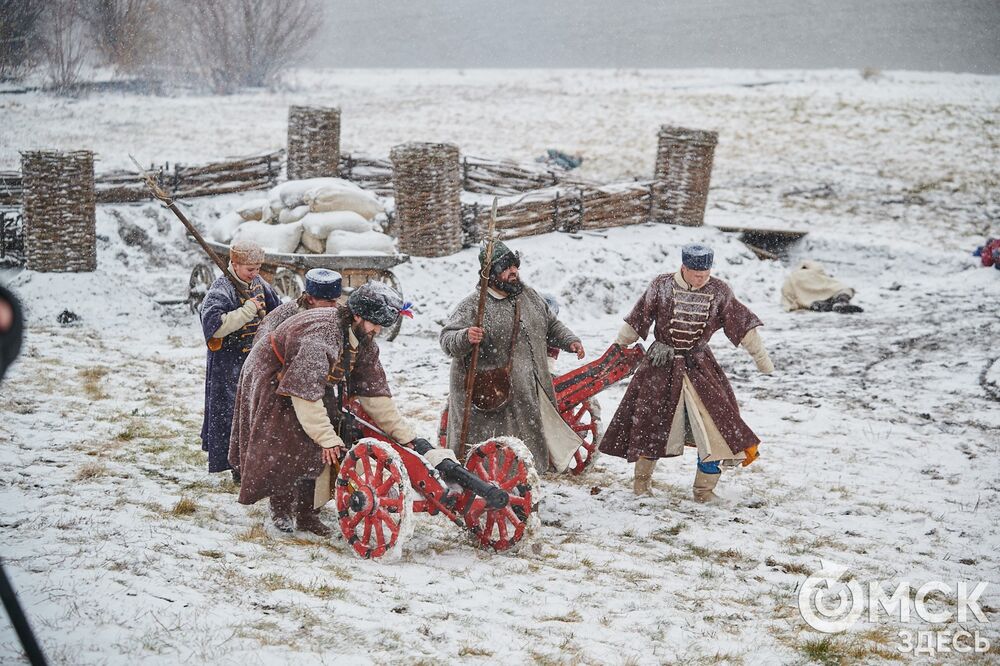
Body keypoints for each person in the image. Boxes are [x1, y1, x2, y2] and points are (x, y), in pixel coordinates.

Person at [229, 282, 426, 535]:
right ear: (357, 315)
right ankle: (281, 508)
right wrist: (325, 437)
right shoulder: (322, 333)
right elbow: (305, 396)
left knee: (326, 444)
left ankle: (307, 513)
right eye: (375, 323)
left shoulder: (363, 338)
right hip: (273, 374)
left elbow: (373, 392)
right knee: (286, 443)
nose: (377, 330)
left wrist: (403, 435)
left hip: (312, 379)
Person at [599, 244, 774, 502]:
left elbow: (743, 326)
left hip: (699, 366)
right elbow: (638, 319)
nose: (701, 279)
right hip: (660, 365)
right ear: (684, 267)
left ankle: (704, 490)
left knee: (715, 427)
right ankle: (641, 485)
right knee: (650, 425)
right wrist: (618, 347)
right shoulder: (661, 286)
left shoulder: (720, 291)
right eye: (696, 274)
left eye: (705, 274)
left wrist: (762, 360)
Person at [440, 241, 585, 472]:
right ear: (490, 274)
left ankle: (525, 476)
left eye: (515, 265)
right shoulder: (473, 305)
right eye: (505, 268)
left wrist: (570, 341)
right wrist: (465, 336)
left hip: (528, 387)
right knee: (496, 445)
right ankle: (491, 478)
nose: (514, 271)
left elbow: (551, 325)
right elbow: (447, 340)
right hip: (492, 392)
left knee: (527, 438)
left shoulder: (530, 296)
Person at [199, 240, 280, 478]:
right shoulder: (221, 289)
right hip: (229, 363)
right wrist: (247, 311)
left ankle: (254, 461)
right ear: (234, 264)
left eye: (258, 268)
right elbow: (215, 328)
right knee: (232, 414)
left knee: (255, 411)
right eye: (249, 269)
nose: (255, 273)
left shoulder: (259, 284)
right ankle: (237, 466)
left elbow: (277, 310)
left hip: (255, 360)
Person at [252, 268, 342, 345]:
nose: (334, 306)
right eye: (329, 301)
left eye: (336, 301)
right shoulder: (286, 313)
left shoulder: (339, 315)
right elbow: (262, 339)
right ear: (310, 299)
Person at [781, 260, 863, 314]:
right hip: (820, 285)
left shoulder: (791, 277)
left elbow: (787, 294)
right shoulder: (812, 267)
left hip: (805, 297)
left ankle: (820, 306)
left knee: (811, 302)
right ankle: (841, 301)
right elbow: (819, 269)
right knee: (843, 289)